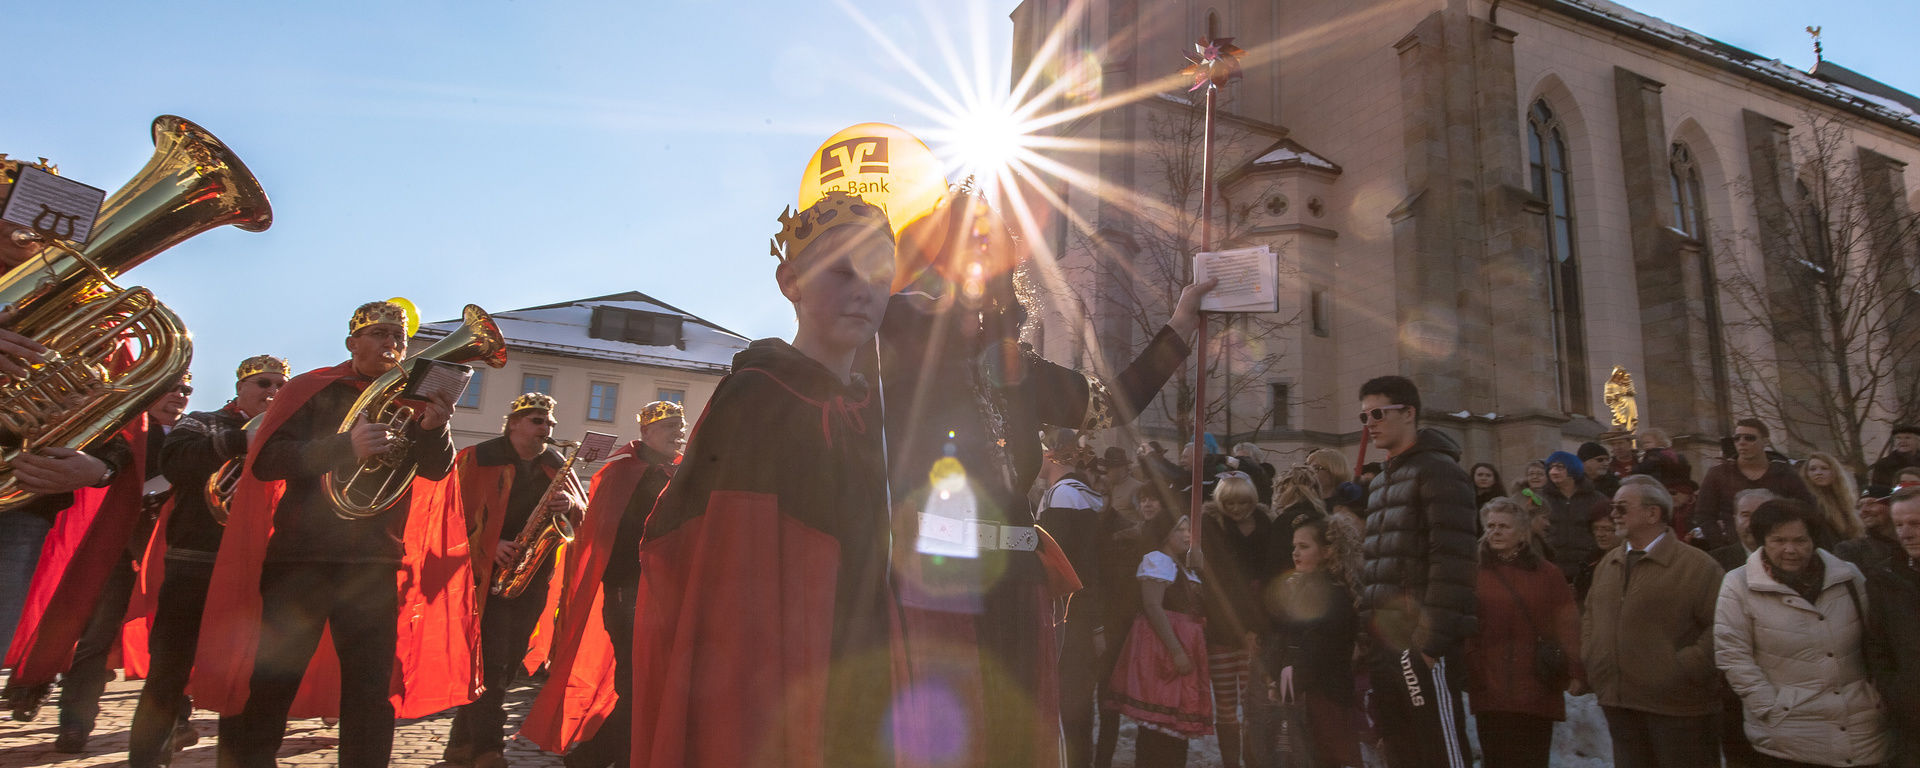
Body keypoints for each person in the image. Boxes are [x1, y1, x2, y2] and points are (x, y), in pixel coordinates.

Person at [873, 187, 1211, 766]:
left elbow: (1111, 404)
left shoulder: (1015, 367)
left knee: (1015, 743)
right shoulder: (893, 341)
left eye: (990, 252)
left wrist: (1180, 327)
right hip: (935, 584)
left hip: (1017, 585)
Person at [624, 191, 898, 767]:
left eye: (879, 270)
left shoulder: (868, 409)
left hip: (859, 665)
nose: (863, 288)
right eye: (840, 270)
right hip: (777, 678)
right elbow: (720, 567)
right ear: (790, 281)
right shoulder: (759, 395)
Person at [195, 300, 472, 768]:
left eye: (398, 337)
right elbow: (268, 459)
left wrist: (436, 427)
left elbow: (437, 469)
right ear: (352, 343)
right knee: (272, 682)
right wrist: (347, 445)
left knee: (369, 692)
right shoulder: (312, 389)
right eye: (380, 334)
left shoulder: (413, 399)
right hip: (301, 558)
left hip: (373, 562)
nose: (392, 343)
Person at [125, 356, 288, 767]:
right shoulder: (202, 420)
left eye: (279, 386)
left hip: (253, 570)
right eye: (262, 384)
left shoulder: (288, 432)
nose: (271, 392)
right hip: (193, 563)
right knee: (168, 672)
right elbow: (176, 463)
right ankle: (146, 759)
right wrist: (243, 441)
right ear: (240, 388)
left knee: (244, 674)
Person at [25, 377, 190, 752]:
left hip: (167, 553)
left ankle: (176, 720)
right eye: (171, 387)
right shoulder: (123, 432)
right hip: (118, 548)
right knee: (96, 638)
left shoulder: (191, 432)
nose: (179, 396)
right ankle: (75, 723)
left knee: (171, 641)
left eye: (186, 390)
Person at [522, 400, 684, 766]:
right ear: (646, 432)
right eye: (669, 426)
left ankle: (603, 759)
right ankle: (593, 760)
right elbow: (611, 535)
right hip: (629, 595)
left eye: (681, 425)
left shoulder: (678, 472)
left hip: (662, 598)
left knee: (649, 687)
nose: (679, 433)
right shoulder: (622, 472)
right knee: (637, 688)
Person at [442, 393, 585, 768]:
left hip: (532, 578)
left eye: (550, 423)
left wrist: (570, 505)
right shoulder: (478, 457)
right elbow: (451, 512)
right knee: (490, 664)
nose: (546, 429)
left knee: (505, 665)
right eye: (538, 421)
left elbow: (584, 510)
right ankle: (489, 749)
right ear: (514, 424)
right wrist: (493, 544)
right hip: (482, 576)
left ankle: (459, 745)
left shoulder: (556, 464)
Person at [1354, 375, 1477, 768]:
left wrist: (1429, 644)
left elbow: (1454, 564)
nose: (1369, 423)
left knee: (1438, 751)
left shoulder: (1439, 472)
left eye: (1377, 413)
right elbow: (1377, 567)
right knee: (1400, 751)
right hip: (1384, 644)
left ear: (1408, 413)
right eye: (1363, 416)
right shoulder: (1380, 482)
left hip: (1419, 644)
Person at [1714, 498, 1887, 767]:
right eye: (1779, 540)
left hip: (1860, 726)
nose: (1791, 550)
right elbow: (1733, 656)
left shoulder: (1848, 576)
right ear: (1763, 541)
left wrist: (1874, 695)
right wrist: (1769, 707)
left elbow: (1877, 640)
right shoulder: (1738, 584)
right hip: (1789, 734)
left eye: (1800, 540)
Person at [1583, 478, 1723, 768]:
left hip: (1678, 710)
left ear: (1652, 514)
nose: (1614, 515)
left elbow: (1721, 628)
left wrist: (1683, 667)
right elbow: (1590, 618)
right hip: (1620, 704)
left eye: (1622, 508)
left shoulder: (1697, 566)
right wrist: (1592, 657)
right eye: (1613, 507)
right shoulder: (1609, 564)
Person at [1467, 498, 1584, 768]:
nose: (1495, 532)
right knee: (1495, 759)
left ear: (1522, 533)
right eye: (1491, 525)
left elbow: (1568, 624)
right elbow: (1465, 624)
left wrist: (1576, 670)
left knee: (1531, 758)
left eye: (1504, 526)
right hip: (1490, 684)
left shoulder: (1548, 574)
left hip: (1536, 684)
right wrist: (1472, 663)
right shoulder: (1472, 572)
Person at [1251, 516, 1362, 768]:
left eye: (1304, 546)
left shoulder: (1330, 593)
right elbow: (1285, 638)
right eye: (1294, 547)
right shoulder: (1305, 587)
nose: (1295, 553)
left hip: (1324, 694)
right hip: (1305, 691)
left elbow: (1312, 650)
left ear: (1327, 551)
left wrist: (1285, 686)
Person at [1105, 513, 1212, 767]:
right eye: (1179, 530)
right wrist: (1175, 650)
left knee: (1176, 723)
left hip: (1184, 644)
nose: (1187, 535)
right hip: (1162, 648)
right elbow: (1152, 606)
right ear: (1165, 534)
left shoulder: (1183, 567)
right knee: (1156, 724)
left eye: (1189, 530)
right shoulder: (1158, 561)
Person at [1037, 429, 1108, 768]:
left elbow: (1060, 565)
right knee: (1078, 708)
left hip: (1070, 615)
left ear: (1050, 453)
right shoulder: (1083, 494)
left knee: (1069, 707)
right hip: (1085, 614)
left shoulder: (1063, 497)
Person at [1198, 472, 1275, 768]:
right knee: (1227, 706)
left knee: (1254, 705)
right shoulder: (1210, 525)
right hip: (1221, 626)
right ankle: (1231, 761)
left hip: (1256, 626)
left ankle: (1253, 759)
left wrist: (1258, 625)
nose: (1237, 509)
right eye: (1230, 502)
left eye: (1243, 502)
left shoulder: (1266, 524)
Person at [1865, 486, 1920, 768]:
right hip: (1911, 719)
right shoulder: (1884, 578)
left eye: (1915, 523)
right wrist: (1897, 693)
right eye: (1899, 524)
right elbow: (1877, 646)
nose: (1906, 532)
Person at [1696, 419, 1814, 550]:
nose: (1742, 442)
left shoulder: (1784, 473)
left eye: (1749, 438)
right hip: (1736, 548)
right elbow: (1704, 515)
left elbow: (1807, 510)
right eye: (1737, 438)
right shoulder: (1718, 474)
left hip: (1779, 548)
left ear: (1765, 441)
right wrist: (1721, 544)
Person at [1541, 451, 1605, 583]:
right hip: (1551, 566)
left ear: (1573, 469)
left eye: (1560, 467)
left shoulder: (1595, 498)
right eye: (1551, 468)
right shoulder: (1541, 498)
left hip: (1586, 567)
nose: (1553, 471)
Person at [1799, 451, 1862, 549]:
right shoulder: (1808, 501)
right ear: (1807, 474)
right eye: (1812, 469)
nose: (1818, 473)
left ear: (1835, 472)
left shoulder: (1843, 500)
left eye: (1824, 468)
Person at [1836, 485, 1901, 570]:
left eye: (1871, 503)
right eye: (1859, 506)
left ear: (1892, 506)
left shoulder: (1910, 542)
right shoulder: (1851, 549)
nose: (1863, 510)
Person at [1711, 489, 1772, 572]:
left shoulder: (1787, 559)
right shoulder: (1714, 561)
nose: (1752, 523)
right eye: (1746, 515)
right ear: (1735, 520)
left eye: (1760, 514)